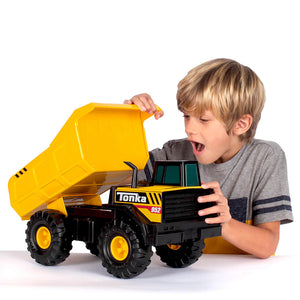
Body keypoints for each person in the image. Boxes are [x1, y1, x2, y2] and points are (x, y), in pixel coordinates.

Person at [124, 58, 293, 259]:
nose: (189, 128)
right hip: (179, 272)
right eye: (186, 116)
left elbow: (267, 245)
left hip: (241, 279)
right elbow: (117, 177)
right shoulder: (173, 153)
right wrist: (126, 121)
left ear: (241, 124)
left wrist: (226, 222)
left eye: (203, 120)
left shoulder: (266, 158)